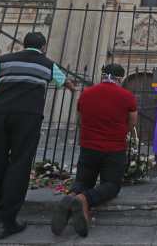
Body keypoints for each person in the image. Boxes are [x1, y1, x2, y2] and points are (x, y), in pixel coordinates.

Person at [0, 32, 75, 240]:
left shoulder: (3, 60)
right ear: (44, 46)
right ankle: (5, 222)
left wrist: (4, 102)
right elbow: (66, 84)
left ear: (23, 44)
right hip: (27, 118)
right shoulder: (47, 64)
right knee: (19, 165)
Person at [51, 63, 137, 237]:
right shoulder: (127, 96)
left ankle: (73, 194)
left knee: (83, 181)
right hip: (114, 148)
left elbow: (80, 118)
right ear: (120, 79)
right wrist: (121, 132)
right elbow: (132, 122)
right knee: (111, 185)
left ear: (103, 75)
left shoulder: (86, 94)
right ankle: (84, 200)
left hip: (89, 146)